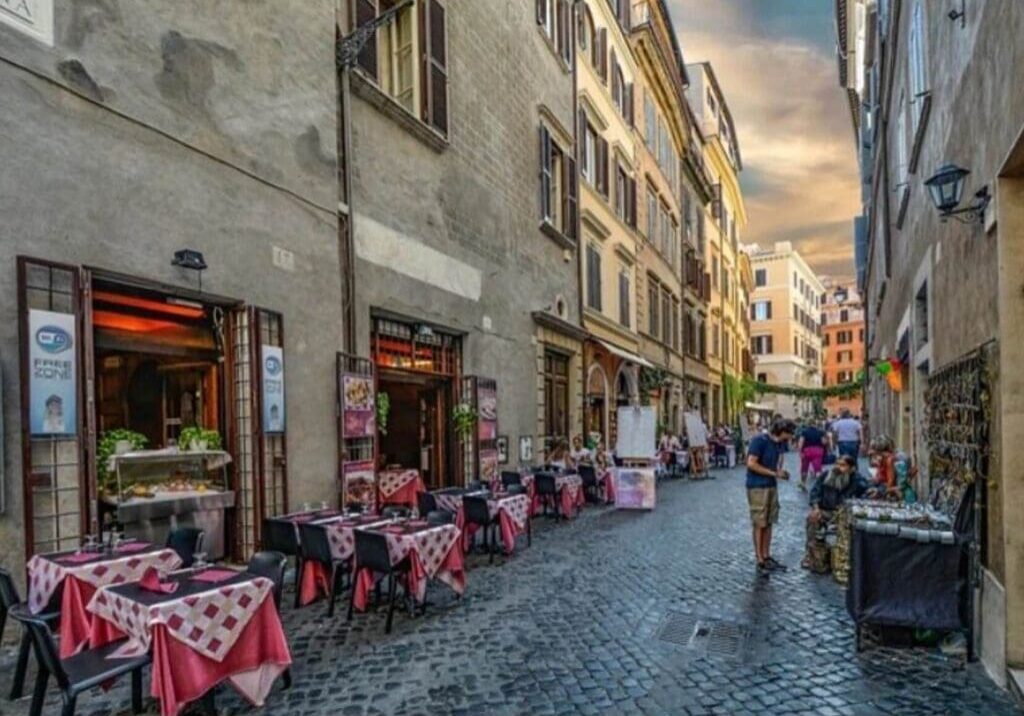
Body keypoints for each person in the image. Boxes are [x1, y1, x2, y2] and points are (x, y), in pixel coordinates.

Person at [745, 418, 796, 576]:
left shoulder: (779, 444)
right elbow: (751, 463)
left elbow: (778, 459)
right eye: (789, 433)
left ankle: (766, 555)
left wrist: (779, 471)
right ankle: (760, 559)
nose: (791, 436)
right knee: (759, 522)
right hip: (757, 486)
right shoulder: (759, 440)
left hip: (771, 484)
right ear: (782, 431)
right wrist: (774, 473)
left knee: (769, 521)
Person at [802, 455, 867, 572]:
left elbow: (867, 492)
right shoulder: (826, 475)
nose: (838, 467)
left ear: (852, 468)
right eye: (837, 464)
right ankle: (811, 556)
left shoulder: (857, 480)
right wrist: (816, 508)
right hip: (826, 511)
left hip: (846, 513)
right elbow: (815, 493)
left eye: (842, 465)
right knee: (812, 519)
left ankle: (847, 559)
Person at [796, 420, 830, 491]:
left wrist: (800, 452)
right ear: (815, 424)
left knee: (804, 468)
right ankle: (820, 485)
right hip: (818, 450)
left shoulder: (804, 432)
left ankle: (803, 483)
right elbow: (824, 442)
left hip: (807, 451)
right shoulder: (820, 432)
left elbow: (801, 442)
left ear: (808, 425)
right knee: (818, 469)